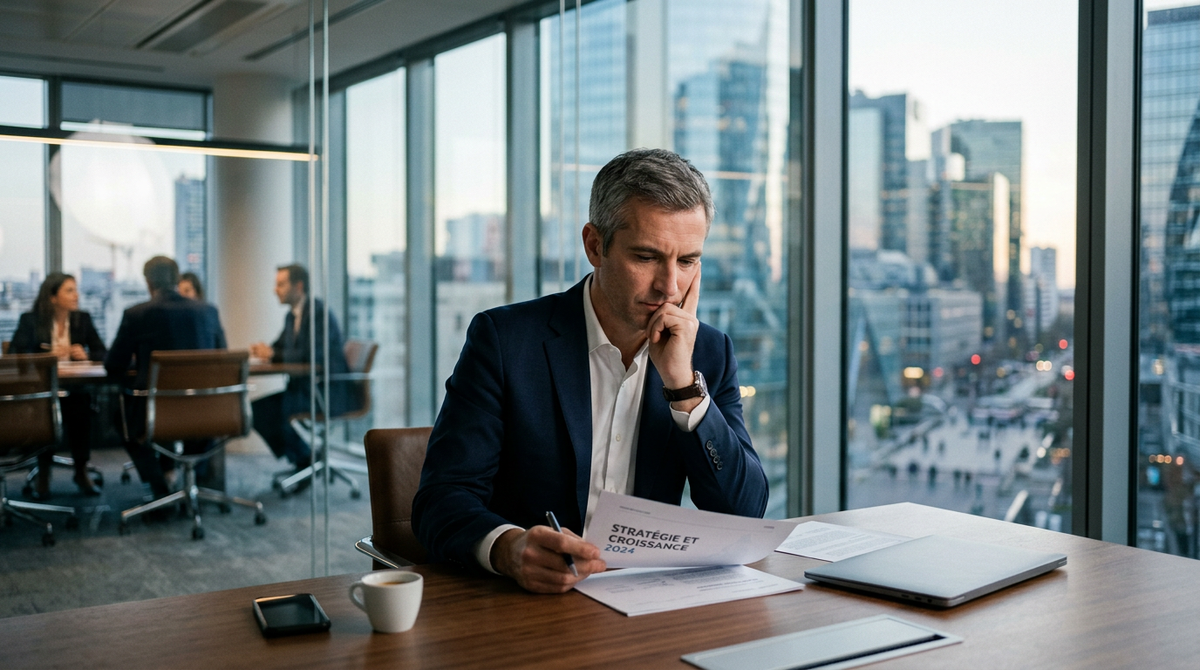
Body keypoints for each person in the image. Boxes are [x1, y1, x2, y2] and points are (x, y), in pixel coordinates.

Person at [413, 148, 768, 594]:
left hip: (645, 604)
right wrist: (510, 549)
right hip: (527, 605)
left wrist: (683, 388)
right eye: (646, 257)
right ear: (595, 246)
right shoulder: (505, 341)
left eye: (687, 261)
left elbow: (746, 514)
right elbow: (440, 502)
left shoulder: (707, 353)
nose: (670, 287)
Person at [105, 256, 227, 498]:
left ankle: (158, 484)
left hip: (156, 414)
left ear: (148, 282)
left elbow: (113, 366)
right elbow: (221, 361)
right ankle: (196, 476)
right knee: (195, 421)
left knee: (121, 416)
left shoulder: (137, 314)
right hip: (207, 412)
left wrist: (137, 363)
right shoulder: (208, 311)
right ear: (177, 279)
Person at [9, 272, 107, 498]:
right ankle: (43, 474)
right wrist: (47, 357)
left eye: (76, 290)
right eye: (69, 290)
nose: (76, 295)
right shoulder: (31, 320)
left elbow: (103, 352)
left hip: (75, 388)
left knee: (80, 407)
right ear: (53, 297)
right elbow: (15, 355)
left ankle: (81, 471)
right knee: (48, 411)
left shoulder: (82, 319)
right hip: (41, 392)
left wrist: (86, 353)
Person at [249, 264, 351, 471]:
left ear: (298, 286)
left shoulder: (318, 313)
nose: (275, 290)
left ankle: (305, 460)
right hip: (305, 388)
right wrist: (267, 350)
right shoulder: (292, 316)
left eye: (280, 284)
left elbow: (312, 355)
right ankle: (305, 458)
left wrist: (273, 354)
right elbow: (280, 347)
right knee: (257, 410)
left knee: (273, 412)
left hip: (326, 391)